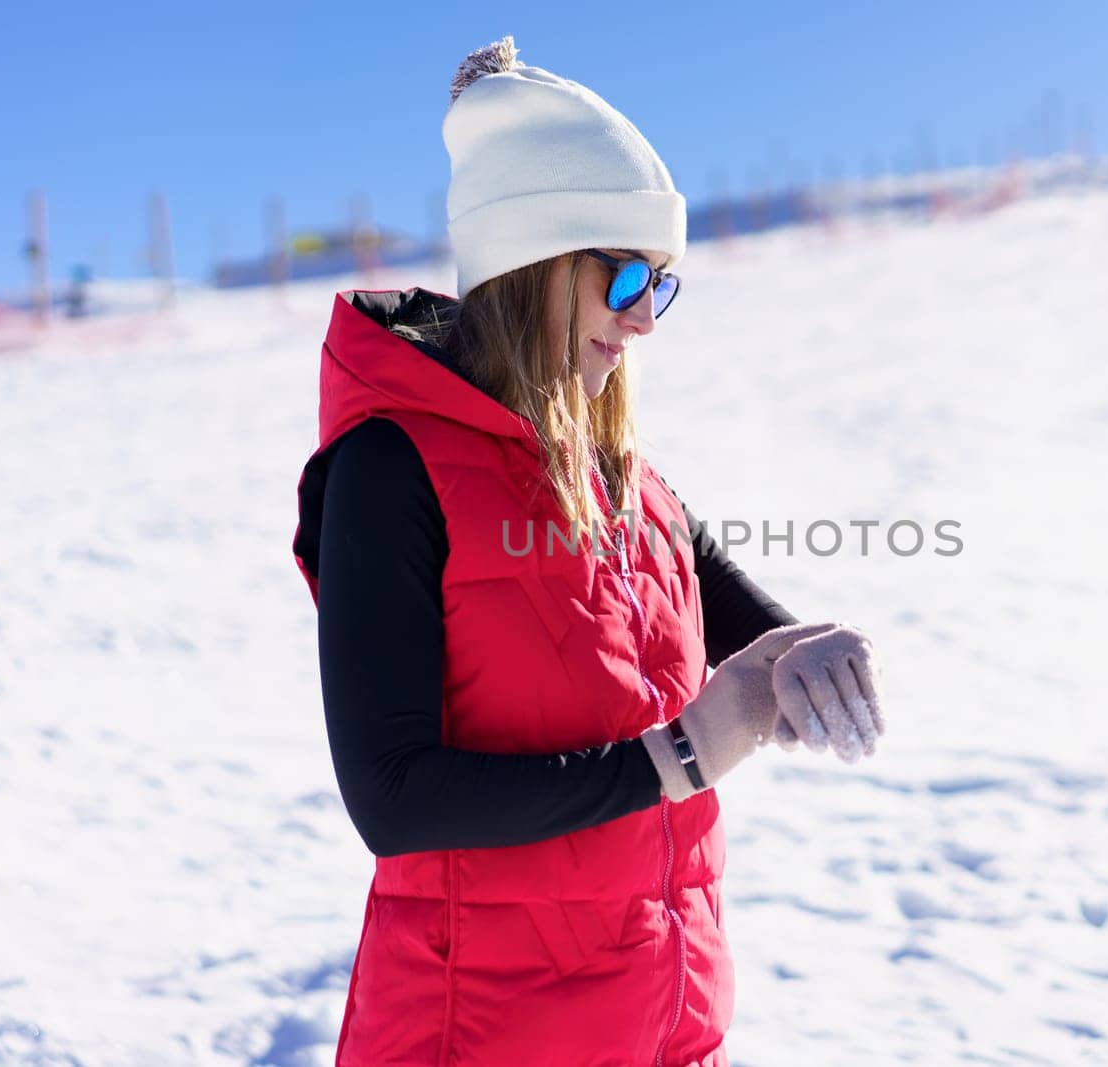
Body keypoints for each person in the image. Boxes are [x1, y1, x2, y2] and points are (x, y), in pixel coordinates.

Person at [289, 36, 886, 1066]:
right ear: (531, 263)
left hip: (669, 1028)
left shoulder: (631, 483)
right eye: (622, 280)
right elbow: (391, 796)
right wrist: (680, 754)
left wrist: (807, 649)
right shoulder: (391, 469)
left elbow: (753, 632)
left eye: (662, 285)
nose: (645, 321)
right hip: (478, 1036)